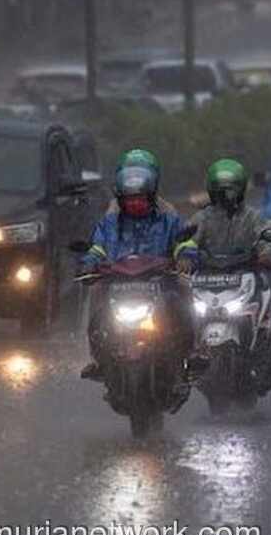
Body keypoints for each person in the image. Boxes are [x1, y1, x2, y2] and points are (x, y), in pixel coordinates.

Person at [79, 161, 199, 381]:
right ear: (120, 199)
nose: (134, 204)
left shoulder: (168, 220)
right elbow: (97, 247)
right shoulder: (109, 223)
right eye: (129, 199)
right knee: (95, 292)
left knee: (184, 290)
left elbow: (185, 242)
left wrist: (185, 258)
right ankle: (97, 358)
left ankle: (192, 350)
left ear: (151, 197)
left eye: (140, 199)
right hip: (117, 282)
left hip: (160, 281)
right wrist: (89, 263)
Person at [189, 158, 271, 391]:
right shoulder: (202, 218)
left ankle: (262, 347)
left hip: (245, 276)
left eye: (231, 189)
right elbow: (185, 238)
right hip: (207, 279)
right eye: (221, 190)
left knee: (262, 297)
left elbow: (268, 237)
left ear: (241, 190)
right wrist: (181, 253)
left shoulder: (252, 217)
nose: (226, 195)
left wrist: (268, 252)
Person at [106, 148, 175, 214]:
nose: (135, 179)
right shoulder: (115, 209)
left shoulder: (165, 210)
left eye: (139, 174)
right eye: (131, 174)